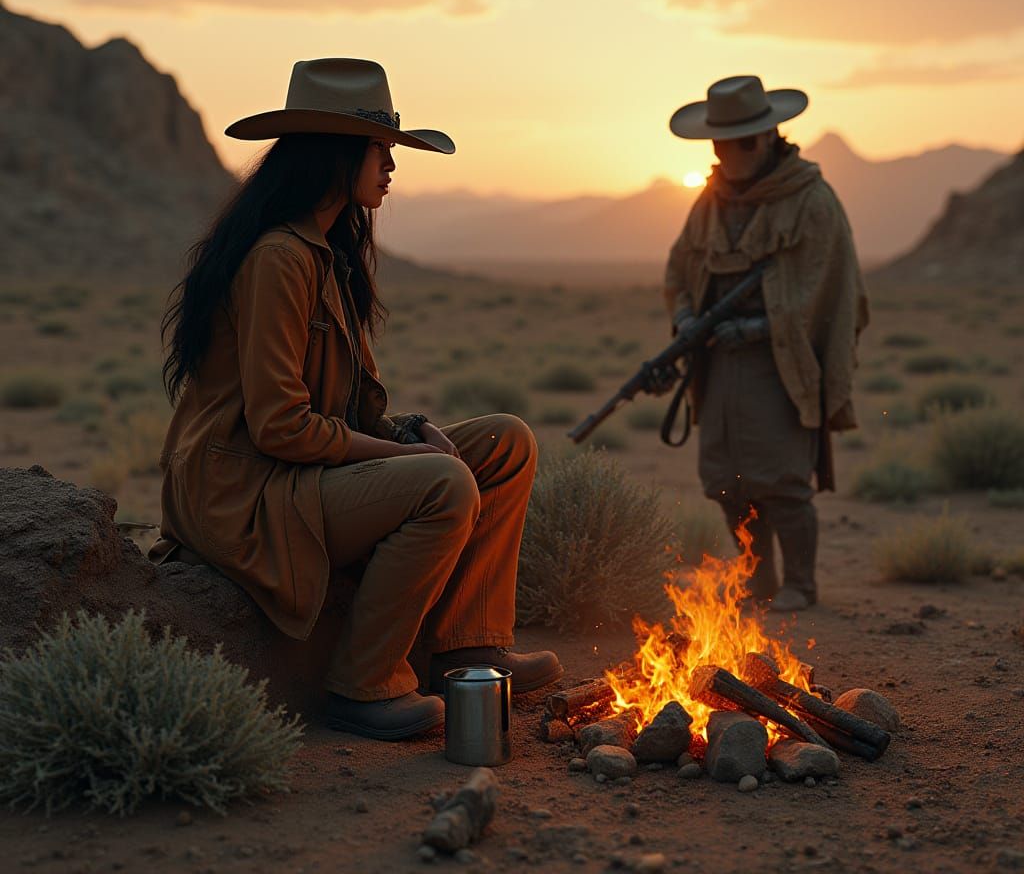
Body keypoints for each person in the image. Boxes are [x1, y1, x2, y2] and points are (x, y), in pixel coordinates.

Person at [151, 57, 562, 740]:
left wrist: (410, 431)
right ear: (335, 154)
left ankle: (468, 647)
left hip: (297, 473)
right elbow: (281, 427)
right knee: (443, 484)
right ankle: (361, 684)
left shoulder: (329, 254)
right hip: (245, 494)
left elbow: (353, 408)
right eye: (380, 149)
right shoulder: (278, 259)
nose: (392, 166)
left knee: (506, 442)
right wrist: (407, 460)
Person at [661, 75, 869, 611]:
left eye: (743, 141)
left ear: (770, 137)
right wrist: (687, 316)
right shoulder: (708, 202)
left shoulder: (812, 202)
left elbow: (823, 288)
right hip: (717, 365)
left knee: (782, 479)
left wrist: (758, 328)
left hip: (781, 366)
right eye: (720, 142)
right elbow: (682, 266)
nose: (730, 154)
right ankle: (760, 576)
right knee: (726, 481)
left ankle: (801, 582)